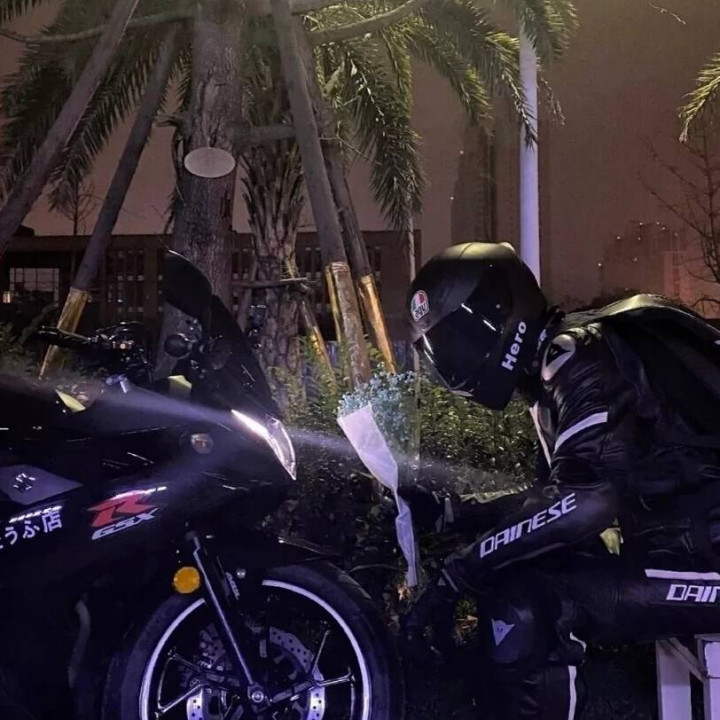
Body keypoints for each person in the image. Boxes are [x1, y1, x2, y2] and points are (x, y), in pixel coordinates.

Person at [402, 242, 720, 720]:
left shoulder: (577, 357)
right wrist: (454, 513)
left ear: (501, 312)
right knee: (520, 582)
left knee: (534, 604)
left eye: (460, 340)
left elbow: (586, 502)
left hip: (706, 560)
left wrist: (458, 574)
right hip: (688, 553)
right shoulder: (558, 367)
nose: (455, 361)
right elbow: (555, 499)